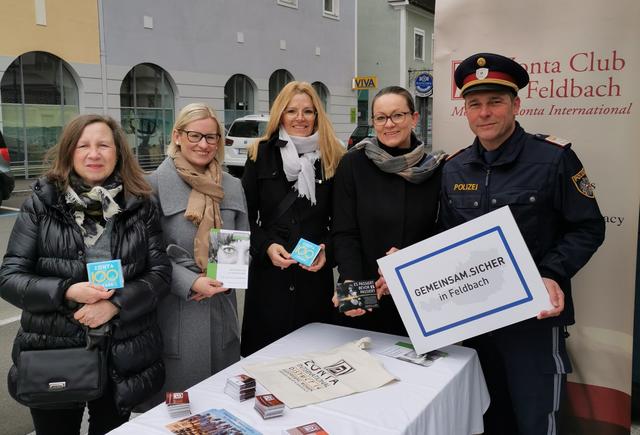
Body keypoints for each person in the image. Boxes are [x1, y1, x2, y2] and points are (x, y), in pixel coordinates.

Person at [439, 52, 606, 434]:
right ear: (465, 110)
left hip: (533, 318)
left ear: (515, 104)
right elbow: (448, 240)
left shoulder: (553, 159)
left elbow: (588, 227)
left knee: (535, 420)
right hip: (475, 319)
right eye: (474, 104)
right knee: (482, 416)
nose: (485, 113)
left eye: (495, 102)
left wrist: (551, 273)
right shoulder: (454, 167)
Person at [0, 114, 171, 434]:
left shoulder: (140, 204)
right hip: (54, 349)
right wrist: (67, 290)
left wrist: (115, 304)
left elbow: (160, 274)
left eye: (104, 145)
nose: (94, 154)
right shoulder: (42, 203)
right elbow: (10, 277)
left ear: (118, 152)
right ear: (69, 152)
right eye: (84, 146)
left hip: (120, 352)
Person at [144, 103, 249, 406]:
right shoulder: (152, 186)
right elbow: (145, 254)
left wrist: (230, 273)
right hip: (174, 310)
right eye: (195, 136)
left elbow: (242, 242)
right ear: (177, 135)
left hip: (220, 306)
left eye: (212, 137)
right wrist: (190, 282)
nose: (204, 145)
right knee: (177, 410)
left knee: (221, 407)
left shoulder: (231, 185)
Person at [240, 81, 344, 356]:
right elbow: (244, 220)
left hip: (313, 282)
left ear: (317, 116)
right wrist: (265, 247)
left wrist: (327, 251)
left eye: (308, 111)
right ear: (280, 115)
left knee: (314, 364)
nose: (300, 118)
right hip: (269, 280)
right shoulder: (259, 154)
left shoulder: (334, 156)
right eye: (292, 111)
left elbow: (344, 223)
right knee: (266, 364)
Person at [332, 86, 445, 335]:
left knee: (418, 367)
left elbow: (440, 231)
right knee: (360, 364)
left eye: (398, 115)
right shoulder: (353, 164)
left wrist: (409, 264)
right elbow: (344, 231)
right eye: (381, 117)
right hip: (365, 285)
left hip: (419, 289)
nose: (389, 124)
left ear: (413, 118)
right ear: (373, 122)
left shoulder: (435, 168)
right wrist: (351, 284)